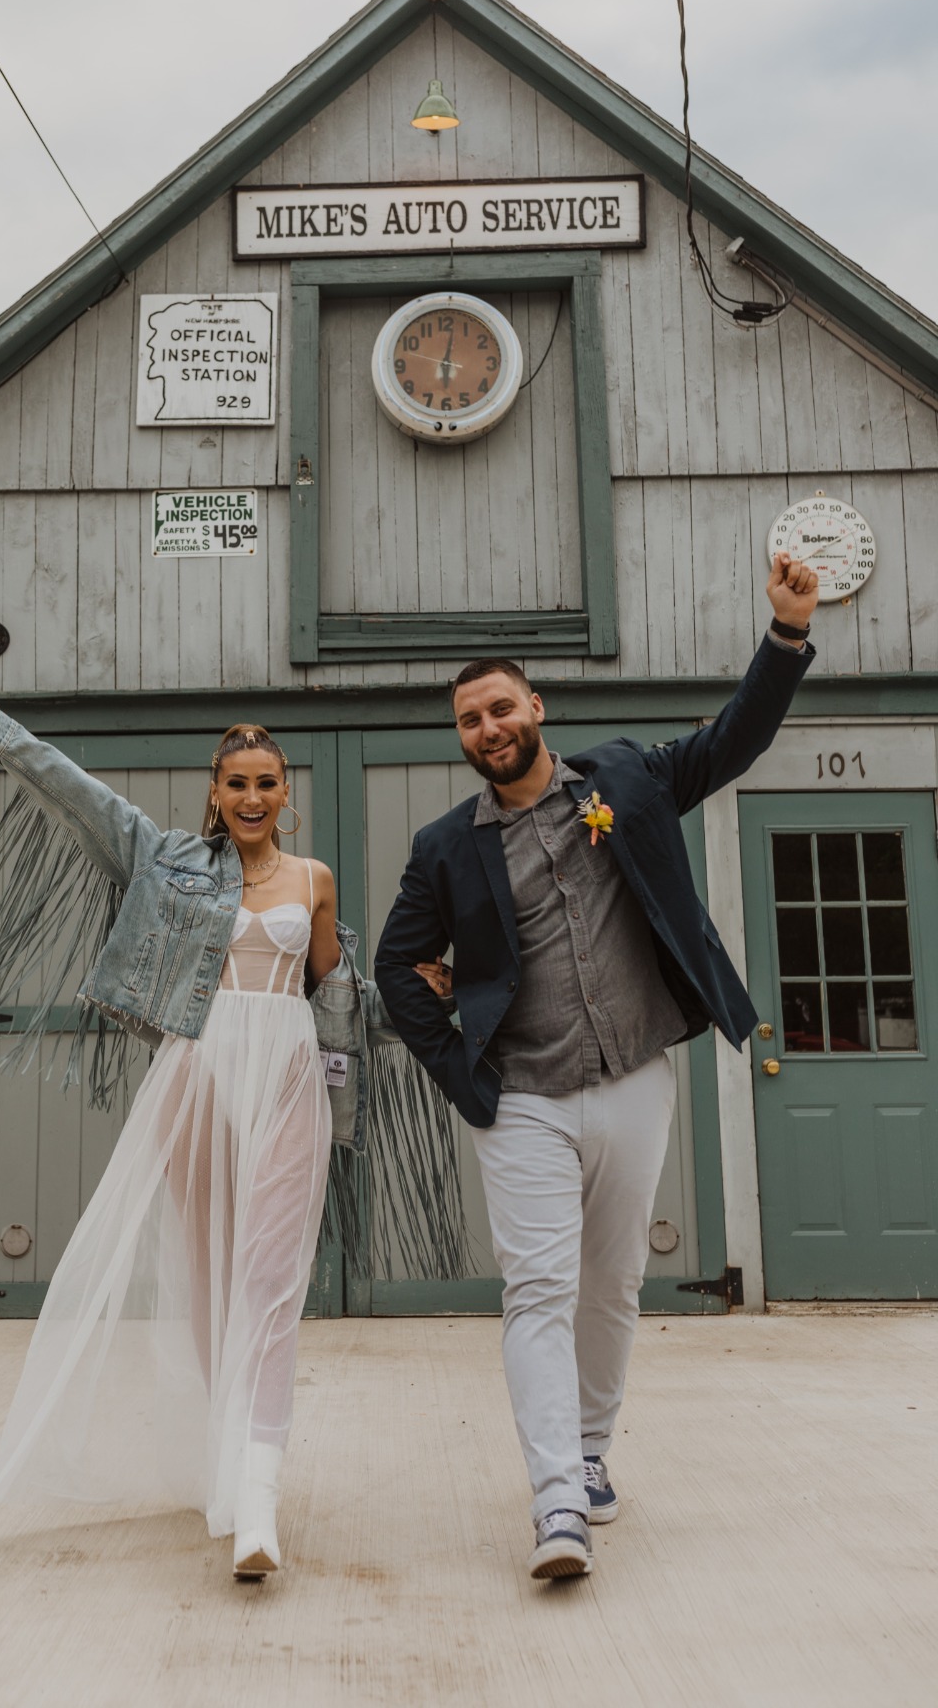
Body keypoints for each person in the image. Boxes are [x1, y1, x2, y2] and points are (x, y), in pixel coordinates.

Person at [0, 686, 455, 1581]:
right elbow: (73, 789)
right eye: (236, 783)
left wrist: (435, 993)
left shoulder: (314, 880)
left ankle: (258, 1497)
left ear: (287, 792)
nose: (252, 798)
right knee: (214, 1286)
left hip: (288, 1080)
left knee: (272, 1285)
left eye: (267, 783)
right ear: (213, 791)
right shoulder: (165, 857)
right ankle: (225, 1454)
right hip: (200, 1079)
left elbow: (338, 993)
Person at [374, 555, 819, 1581]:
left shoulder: (624, 775)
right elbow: (398, 966)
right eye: (468, 721)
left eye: (499, 707)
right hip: (521, 1096)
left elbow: (731, 740)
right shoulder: (445, 848)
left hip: (632, 1081)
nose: (487, 727)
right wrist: (460, 1071)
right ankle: (555, 1502)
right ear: (463, 739)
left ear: (536, 705)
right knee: (537, 1289)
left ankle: (589, 1450)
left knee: (611, 1285)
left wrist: (786, 634)